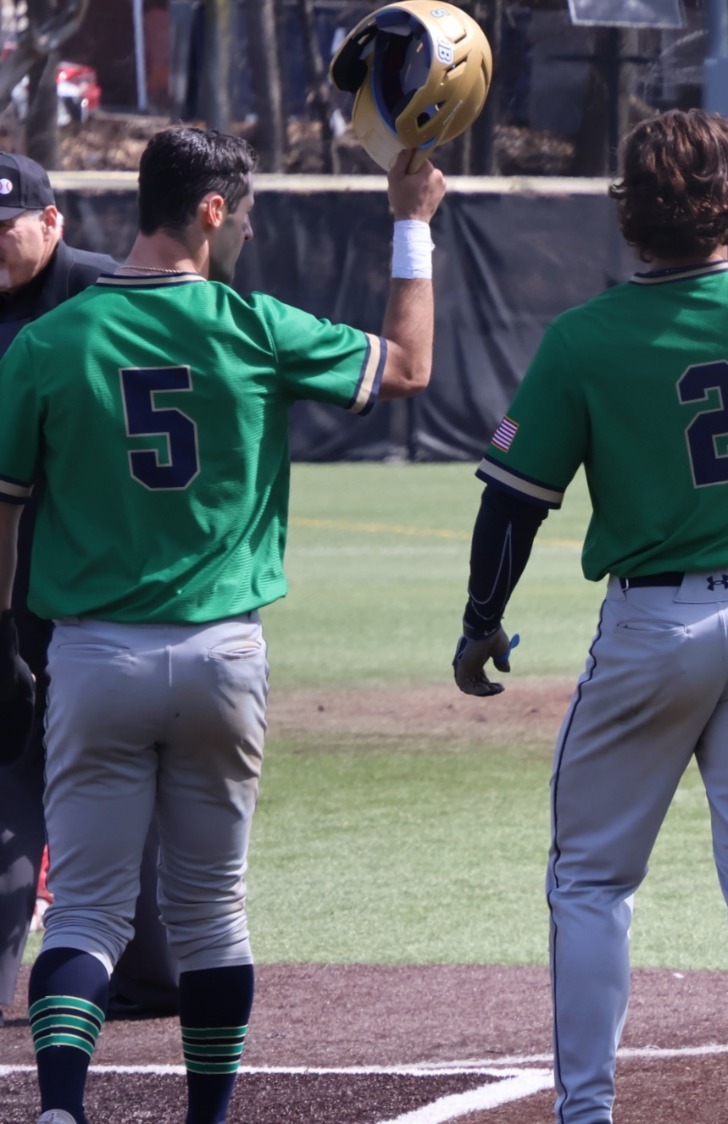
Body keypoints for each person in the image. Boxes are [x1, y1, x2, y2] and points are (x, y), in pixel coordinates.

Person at [448, 108, 728, 1124]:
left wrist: (482, 619)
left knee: (591, 880)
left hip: (655, 626)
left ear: (627, 213)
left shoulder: (584, 337)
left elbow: (512, 501)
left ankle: (587, 1109)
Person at [0, 125, 444, 1124]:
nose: (244, 229)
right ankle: (206, 1118)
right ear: (208, 211)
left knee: (85, 911)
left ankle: (62, 1109)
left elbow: (3, 508)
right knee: (211, 914)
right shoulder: (253, 326)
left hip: (94, 652)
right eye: (240, 214)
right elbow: (409, 367)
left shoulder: (47, 341)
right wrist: (410, 225)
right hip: (220, 653)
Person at [0, 149, 181, 1031]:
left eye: (4, 228)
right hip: (19, 590)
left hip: (88, 593)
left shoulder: (103, 298)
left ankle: (157, 969)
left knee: (116, 788)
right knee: (9, 788)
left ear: (52, 221)